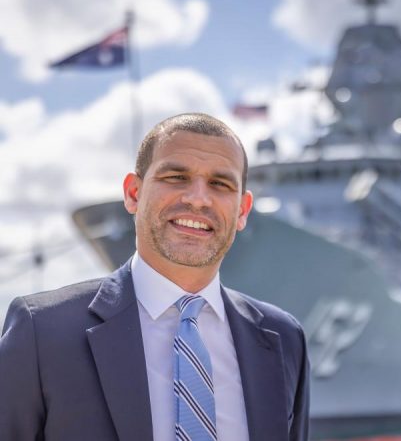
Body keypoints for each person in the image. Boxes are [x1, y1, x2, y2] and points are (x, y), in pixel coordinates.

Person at [0, 113, 309, 441]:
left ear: (243, 211)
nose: (198, 198)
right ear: (133, 193)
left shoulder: (283, 339)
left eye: (220, 184)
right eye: (176, 177)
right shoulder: (42, 333)